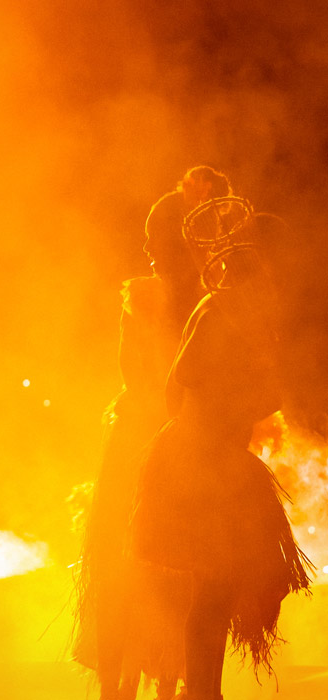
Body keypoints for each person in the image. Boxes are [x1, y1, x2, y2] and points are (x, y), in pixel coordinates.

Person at [129, 235, 313, 700]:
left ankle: (205, 689)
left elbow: (259, 394)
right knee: (212, 586)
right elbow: (185, 376)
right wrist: (212, 428)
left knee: (221, 588)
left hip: (220, 463)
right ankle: (201, 690)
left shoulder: (240, 316)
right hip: (202, 464)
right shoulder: (215, 312)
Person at [74, 189, 207, 700]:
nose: (148, 248)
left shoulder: (199, 301)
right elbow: (135, 373)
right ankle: (128, 684)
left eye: (156, 238)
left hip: (165, 444)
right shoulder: (155, 296)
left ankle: (149, 683)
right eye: (148, 238)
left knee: (159, 571)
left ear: (180, 241)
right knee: (128, 566)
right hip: (154, 441)